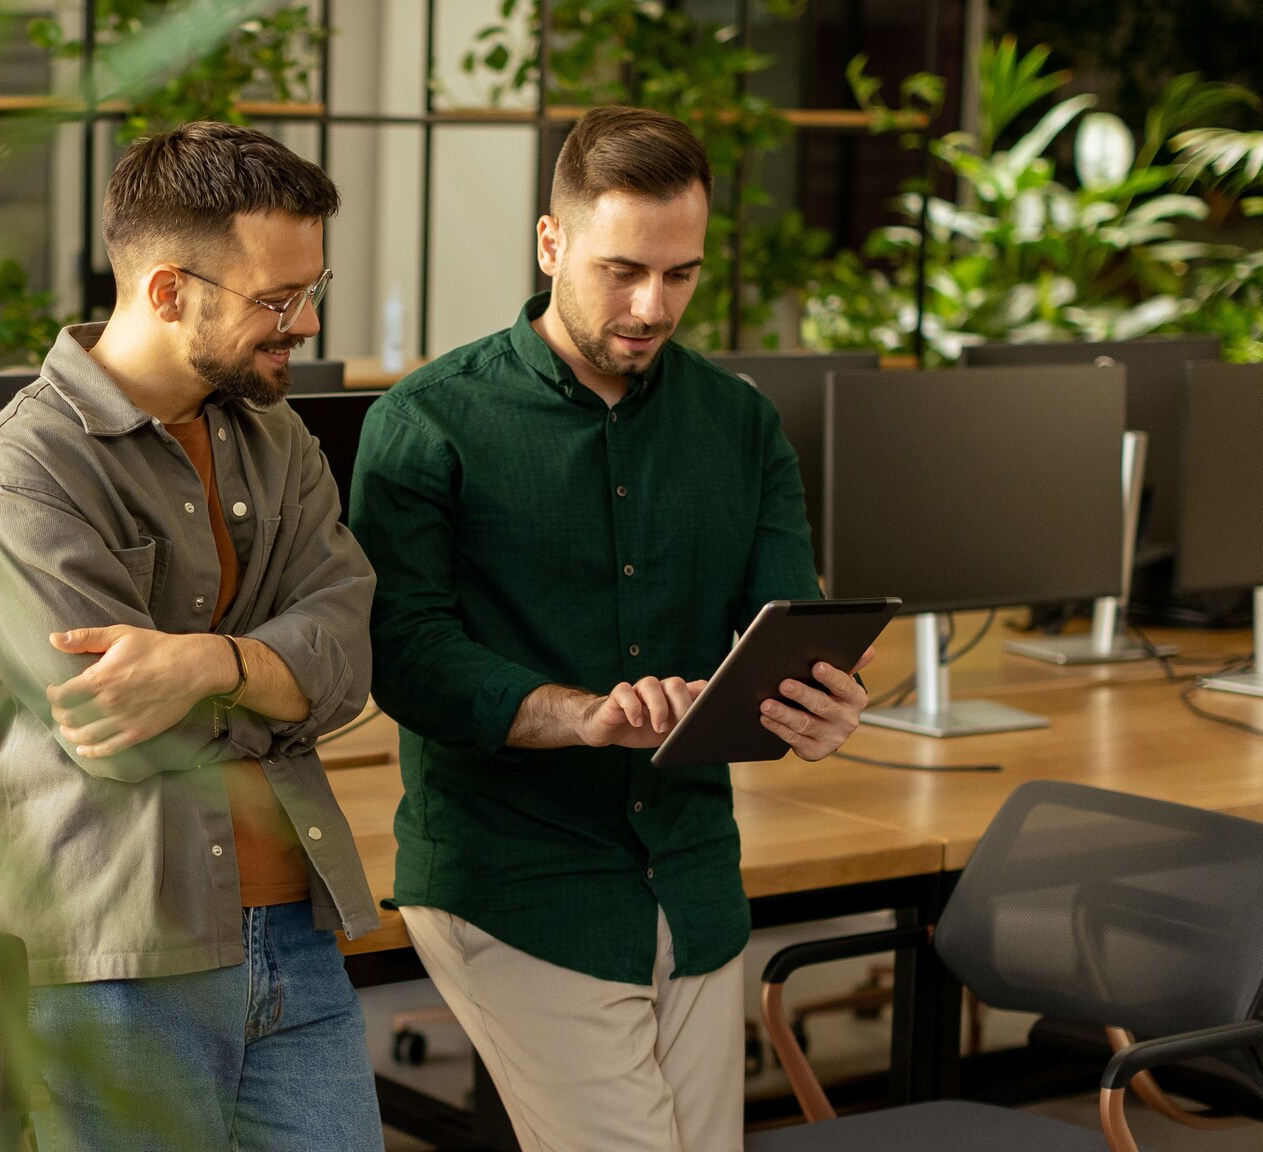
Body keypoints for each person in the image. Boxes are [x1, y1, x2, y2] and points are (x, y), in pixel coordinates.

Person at [350, 105, 871, 1152]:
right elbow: (403, 655)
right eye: (621, 270)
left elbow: (784, 623)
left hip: (691, 871)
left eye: (680, 275)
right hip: (514, 879)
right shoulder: (427, 421)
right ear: (550, 244)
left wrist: (815, 700)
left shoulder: (739, 423)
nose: (650, 306)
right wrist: (580, 716)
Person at [0, 121, 382, 1152]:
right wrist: (277, 678)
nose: (307, 322)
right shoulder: (23, 474)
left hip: (299, 933)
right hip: (116, 962)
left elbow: (352, 655)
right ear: (169, 291)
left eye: (311, 290)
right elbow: (123, 733)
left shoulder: (278, 438)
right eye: (278, 299)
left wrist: (208, 664)